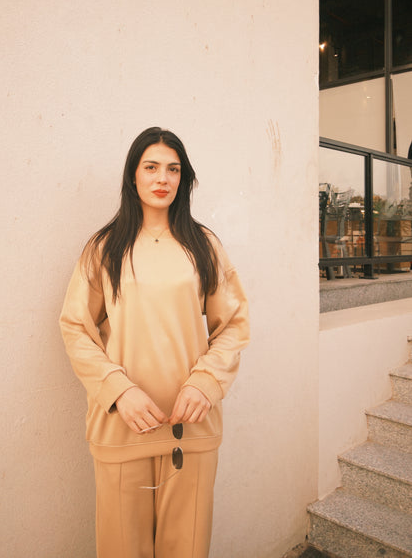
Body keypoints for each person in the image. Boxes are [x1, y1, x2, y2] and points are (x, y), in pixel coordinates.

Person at [59, 126, 250, 558]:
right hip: (121, 429)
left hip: (192, 432)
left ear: (183, 178)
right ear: (133, 175)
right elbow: (75, 328)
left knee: (188, 549)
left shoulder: (204, 246)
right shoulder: (105, 248)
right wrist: (117, 390)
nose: (162, 178)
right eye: (151, 167)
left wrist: (206, 382)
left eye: (173, 169)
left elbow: (234, 324)